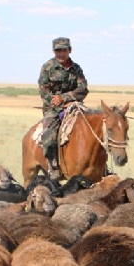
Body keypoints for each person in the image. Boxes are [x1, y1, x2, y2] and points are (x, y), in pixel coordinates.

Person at [38, 37, 89, 180]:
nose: (61, 53)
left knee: (93, 126)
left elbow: (83, 88)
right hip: (53, 109)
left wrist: (66, 98)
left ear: (69, 51)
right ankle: (53, 166)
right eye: (58, 50)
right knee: (49, 133)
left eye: (64, 50)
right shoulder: (47, 67)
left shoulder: (76, 68)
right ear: (54, 51)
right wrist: (56, 102)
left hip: (74, 106)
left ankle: (98, 165)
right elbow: (43, 91)